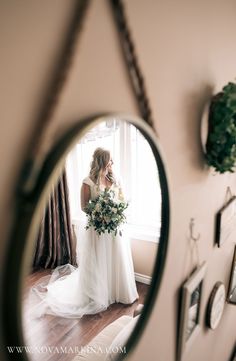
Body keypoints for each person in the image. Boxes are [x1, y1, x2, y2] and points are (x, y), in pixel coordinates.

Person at [30, 147, 138, 318]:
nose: (112, 163)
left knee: (114, 257)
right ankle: (98, 294)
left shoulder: (115, 179)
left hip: (114, 227)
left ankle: (115, 291)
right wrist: (100, 213)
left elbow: (122, 200)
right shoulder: (87, 182)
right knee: (99, 260)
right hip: (97, 227)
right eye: (110, 160)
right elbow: (84, 206)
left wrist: (114, 212)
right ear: (101, 161)